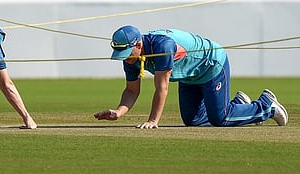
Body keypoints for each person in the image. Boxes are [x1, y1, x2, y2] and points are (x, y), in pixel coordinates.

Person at [94, 25, 288, 128]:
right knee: (192, 120)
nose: (124, 58)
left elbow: (162, 88)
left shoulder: (162, 46)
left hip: (210, 65)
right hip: (188, 76)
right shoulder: (130, 58)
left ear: (138, 45)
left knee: (220, 119)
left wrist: (153, 121)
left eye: (126, 52)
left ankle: (267, 106)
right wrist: (119, 112)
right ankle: (239, 106)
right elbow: (131, 89)